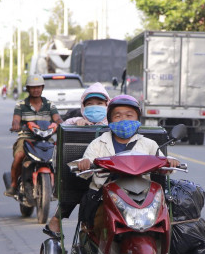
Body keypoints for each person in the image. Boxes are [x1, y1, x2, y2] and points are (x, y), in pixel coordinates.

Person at [73, 94, 179, 231]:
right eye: (117, 116)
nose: (123, 120)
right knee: (96, 227)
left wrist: (169, 162)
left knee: (161, 228)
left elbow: (164, 167)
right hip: (105, 197)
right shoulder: (98, 143)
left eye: (129, 116)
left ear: (137, 119)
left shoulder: (149, 144)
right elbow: (84, 166)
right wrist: (84, 163)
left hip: (143, 198)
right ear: (110, 120)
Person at [43, 82, 110, 237]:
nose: (95, 107)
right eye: (90, 104)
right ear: (83, 107)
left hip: (110, 173)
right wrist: (76, 123)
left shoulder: (115, 124)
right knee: (73, 188)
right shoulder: (77, 122)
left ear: (107, 105)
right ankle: (56, 220)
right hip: (84, 172)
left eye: (99, 103)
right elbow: (63, 128)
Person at [5, 74, 62, 196]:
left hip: (46, 138)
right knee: (19, 156)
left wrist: (62, 124)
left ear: (42, 88)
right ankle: (14, 185)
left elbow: (57, 118)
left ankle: (58, 186)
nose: (36, 90)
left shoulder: (49, 104)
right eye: (32, 87)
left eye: (38, 87)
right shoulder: (20, 104)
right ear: (28, 89)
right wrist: (16, 124)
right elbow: (16, 119)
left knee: (59, 158)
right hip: (26, 138)